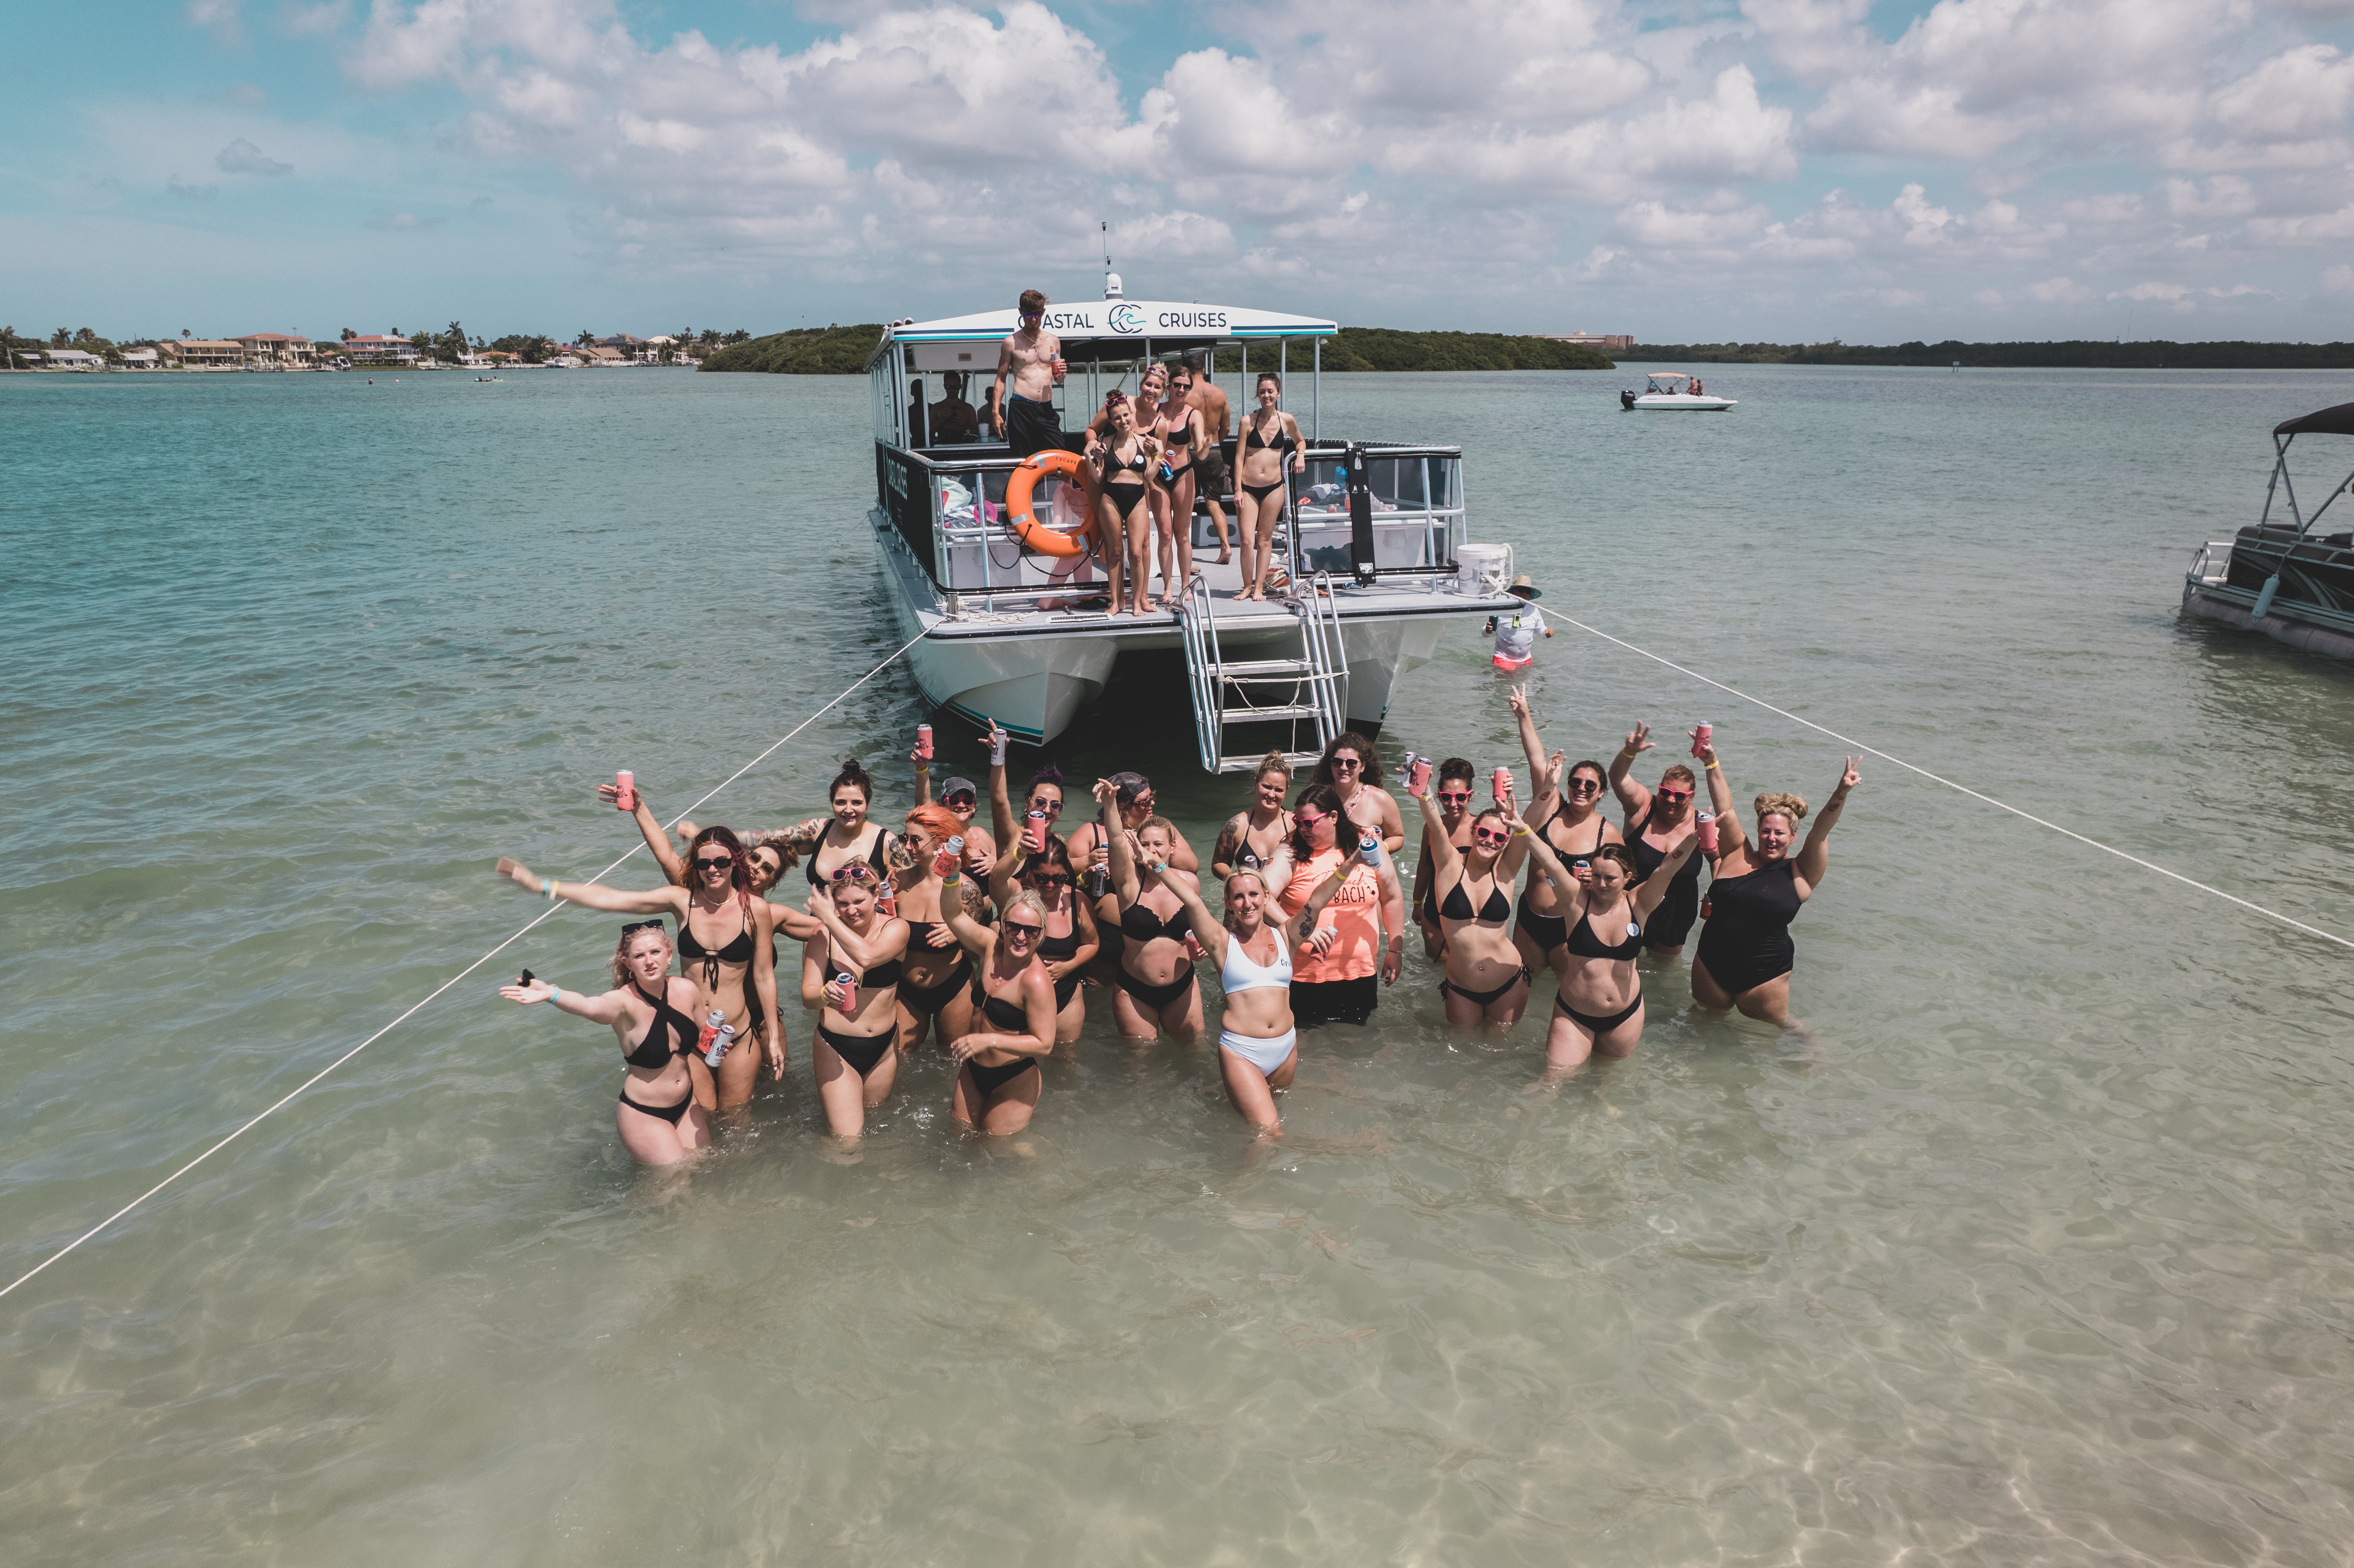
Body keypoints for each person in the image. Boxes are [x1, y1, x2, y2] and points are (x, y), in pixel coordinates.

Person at [494, 827, 785, 1111]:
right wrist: (541, 886)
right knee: (705, 1117)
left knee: (736, 1121)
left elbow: (763, 975)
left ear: (735, 861)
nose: (712, 869)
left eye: (721, 862)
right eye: (703, 863)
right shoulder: (682, 901)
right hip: (693, 1037)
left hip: (737, 1034)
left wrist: (772, 1036)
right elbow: (612, 899)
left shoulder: (756, 909)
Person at [1154, 851, 1349, 1135]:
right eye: (1238, 897)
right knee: (1270, 1134)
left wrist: (1352, 862)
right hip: (1242, 1051)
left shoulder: (1286, 936)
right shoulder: (1222, 943)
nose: (1248, 904)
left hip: (1285, 1049)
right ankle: (1237, 1181)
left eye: (1254, 895)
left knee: (1265, 1121)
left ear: (1267, 897)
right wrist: (1157, 864)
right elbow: (1191, 900)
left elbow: (1317, 899)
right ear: (1228, 904)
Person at [498, 921, 710, 1165]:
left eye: (655, 952)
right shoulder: (623, 1002)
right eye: (639, 956)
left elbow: (705, 1034)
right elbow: (590, 1007)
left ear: (669, 953)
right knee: (674, 1184)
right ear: (629, 964)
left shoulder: (687, 989)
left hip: (685, 1104)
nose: (649, 961)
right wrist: (552, 995)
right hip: (645, 1115)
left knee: (703, 1168)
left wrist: (718, 1046)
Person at [1690, 738, 1862, 1025]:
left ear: (1792, 837)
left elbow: (1820, 832)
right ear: (1757, 830)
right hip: (1710, 966)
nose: (1771, 838)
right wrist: (1711, 762)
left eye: (1779, 834)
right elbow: (1725, 810)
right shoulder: (1736, 853)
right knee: (1703, 1030)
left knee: (1789, 1037)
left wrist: (1841, 792)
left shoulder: (1800, 872)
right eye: (1766, 831)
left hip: (1764, 977)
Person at [1511, 828, 1697, 1069]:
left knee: (1606, 1082)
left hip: (1625, 1016)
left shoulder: (1639, 904)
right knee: (1553, 1080)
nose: (1602, 884)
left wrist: (1695, 838)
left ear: (1628, 877)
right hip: (1574, 1014)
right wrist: (1522, 828)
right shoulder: (1575, 900)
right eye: (1597, 876)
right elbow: (1548, 860)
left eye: (1610, 878)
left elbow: (1668, 868)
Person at [1508, 688, 1622, 981]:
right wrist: (1524, 715)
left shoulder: (1606, 834)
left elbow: (1621, 888)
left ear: (1602, 793)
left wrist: (1595, 883)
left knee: (1565, 993)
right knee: (1524, 989)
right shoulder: (1549, 807)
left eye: (1590, 786)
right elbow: (1536, 760)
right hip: (1529, 920)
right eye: (1575, 782)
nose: (1581, 789)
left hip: (1569, 926)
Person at [936, 867, 1059, 1134]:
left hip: (1013, 1079)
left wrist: (988, 1040)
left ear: (1042, 933)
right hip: (973, 1071)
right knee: (958, 1138)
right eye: (1013, 927)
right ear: (1003, 924)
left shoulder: (1036, 981)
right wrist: (952, 877)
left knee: (997, 1153)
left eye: (1031, 931)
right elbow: (953, 914)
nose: (1021, 937)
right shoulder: (991, 947)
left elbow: (1045, 1044)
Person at [1406, 778, 1533, 1027]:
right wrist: (1424, 792)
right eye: (1484, 833)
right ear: (1474, 831)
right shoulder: (1449, 865)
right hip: (1461, 986)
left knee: (1500, 1055)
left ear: (1506, 841)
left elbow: (1535, 819)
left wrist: (1549, 783)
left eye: (1498, 837)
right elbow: (1435, 825)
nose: (1489, 840)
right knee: (1461, 1053)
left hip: (1509, 982)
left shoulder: (1506, 870)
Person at [1278, 782, 1405, 1027]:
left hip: (1359, 973)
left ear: (1334, 817)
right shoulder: (1291, 850)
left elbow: (1392, 897)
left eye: (1310, 823)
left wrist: (1395, 950)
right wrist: (1299, 928)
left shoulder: (1367, 846)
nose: (1303, 829)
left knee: (1354, 1050)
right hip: (1303, 977)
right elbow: (1263, 896)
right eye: (1298, 822)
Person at [1092, 777, 1205, 1044]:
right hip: (1134, 991)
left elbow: (1202, 930)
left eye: (1158, 844)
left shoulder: (1189, 883)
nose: (1151, 850)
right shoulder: (1129, 883)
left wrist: (1202, 947)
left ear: (1172, 847)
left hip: (1183, 987)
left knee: (1193, 1053)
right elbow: (1116, 840)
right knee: (1140, 1069)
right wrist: (1110, 803)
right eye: (1145, 845)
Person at [799, 872, 910, 1141]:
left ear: (875, 896)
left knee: (877, 1125)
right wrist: (825, 994)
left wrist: (828, 918)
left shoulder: (896, 928)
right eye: (842, 904)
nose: (851, 911)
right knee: (846, 1140)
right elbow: (808, 997)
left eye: (859, 901)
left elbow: (867, 957)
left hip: (884, 1047)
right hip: (836, 1048)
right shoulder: (822, 934)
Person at [1608, 722, 1708, 959]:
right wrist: (1629, 752)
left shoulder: (1702, 824)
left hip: (1677, 913)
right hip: (1630, 904)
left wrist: (1718, 893)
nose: (1671, 800)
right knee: (1619, 961)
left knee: (1663, 976)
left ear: (1692, 797)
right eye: (1666, 792)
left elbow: (1720, 859)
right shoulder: (1642, 807)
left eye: (1680, 796)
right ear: (1659, 789)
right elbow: (1617, 778)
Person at [989, 834, 1098, 1044]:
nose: (1050, 885)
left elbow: (1092, 944)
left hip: (1065, 996)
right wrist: (1018, 853)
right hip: (1016, 994)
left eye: (1058, 879)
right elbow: (996, 880)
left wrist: (1069, 965)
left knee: (1065, 1063)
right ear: (1029, 872)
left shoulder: (1077, 902)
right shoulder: (1015, 892)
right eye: (1042, 878)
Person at [891, 803, 978, 1058]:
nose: (908, 847)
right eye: (905, 839)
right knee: (898, 1059)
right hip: (906, 990)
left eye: (916, 840)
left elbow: (982, 948)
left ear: (940, 841)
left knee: (955, 1063)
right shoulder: (897, 883)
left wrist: (961, 932)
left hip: (954, 988)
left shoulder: (966, 889)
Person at [1081, 389, 1155, 616]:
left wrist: (1159, 455)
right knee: (1114, 553)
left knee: (1136, 552)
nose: (1123, 421)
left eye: (1126, 415)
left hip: (1138, 499)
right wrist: (1088, 455)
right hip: (1110, 499)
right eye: (1117, 418)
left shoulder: (1146, 443)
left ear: (1131, 414)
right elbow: (1098, 477)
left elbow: (1149, 477)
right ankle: (1116, 602)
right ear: (1111, 422)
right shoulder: (1105, 443)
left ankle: (1136, 602)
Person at [1233, 371, 1305, 601]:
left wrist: (1300, 455)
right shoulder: (1247, 421)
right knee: (1246, 540)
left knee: (1265, 540)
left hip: (1274, 487)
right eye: (1262, 392)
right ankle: (1247, 586)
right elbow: (1238, 458)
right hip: (1248, 487)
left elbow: (1300, 441)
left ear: (1278, 393)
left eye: (1270, 391)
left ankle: (1259, 588)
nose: (1266, 395)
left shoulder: (1287, 420)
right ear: (1258, 394)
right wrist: (1237, 489)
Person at [987, 288, 1074, 458]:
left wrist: (1063, 373)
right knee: (1023, 461)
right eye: (1028, 315)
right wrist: (996, 413)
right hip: (1021, 408)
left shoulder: (1053, 341)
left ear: (1043, 313)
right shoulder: (1011, 343)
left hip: (1046, 408)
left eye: (1037, 314)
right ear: (1021, 312)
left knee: (1059, 458)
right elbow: (1001, 379)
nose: (1033, 320)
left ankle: (1063, 486)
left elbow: (1058, 380)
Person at [1410, 756, 1479, 962]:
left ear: (1471, 796)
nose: (1453, 803)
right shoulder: (1431, 827)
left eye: (1460, 797)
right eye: (1446, 797)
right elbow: (1424, 866)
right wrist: (1416, 903)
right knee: (1435, 978)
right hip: (1434, 915)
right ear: (1439, 797)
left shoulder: (1481, 829)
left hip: (1471, 920)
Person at [1142, 364, 1199, 607]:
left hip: (1183, 473)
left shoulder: (1193, 414)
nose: (1181, 390)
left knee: (1182, 535)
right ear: (1169, 387)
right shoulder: (1156, 410)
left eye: (1186, 387)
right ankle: (1167, 586)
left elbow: (1202, 448)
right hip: (1158, 474)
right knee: (1165, 534)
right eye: (1177, 385)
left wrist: (1205, 445)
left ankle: (1185, 585)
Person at [1177, 353, 1233, 567]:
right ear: (1203, 369)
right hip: (1215, 449)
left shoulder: (1186, 395)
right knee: (1214, 502)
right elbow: (1226, 427)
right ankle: (1226, 546)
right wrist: (1216, 442)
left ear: (1186, 371)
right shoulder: (1219, 393)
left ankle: (1185, 551)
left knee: (1186, 503)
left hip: (1189, 451)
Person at [1312, 731, 1405, 856]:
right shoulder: (1315, 796)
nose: (1344, 768)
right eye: (1337, 762)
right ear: (1331, 765)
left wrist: (1380, 848)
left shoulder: (1381, 799)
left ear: (1363, 767)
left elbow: (1397, 836)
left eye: (1351, 763)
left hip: (1364, 869)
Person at [1211, 752, 1294, 880]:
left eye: (1279, 790)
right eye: (1266, 787)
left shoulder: (1295, 825)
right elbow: (1218, 864)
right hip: (1250, 897)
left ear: (1287, 790)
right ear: (1255, 784)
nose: (1272, 795)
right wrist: (1240, 879)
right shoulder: (1236, 826)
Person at [912, 763, 999, 883]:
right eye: (954, 800)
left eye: (968, 801)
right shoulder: (936, 835)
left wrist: (997, 864)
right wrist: (922, 769)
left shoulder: (982, 835)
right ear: (943, 805)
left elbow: (1004, 869)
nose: (962, 805)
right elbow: (923, 804)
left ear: (974, 807)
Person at [1485, 577, 1552, 672]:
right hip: (1503, 658)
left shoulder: (1533, 610)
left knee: (1528, 683)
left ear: (1530, 595)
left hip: (1526, 660)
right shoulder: (1502, 608)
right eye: (1520, 590)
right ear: (1513, 592)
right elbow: (1488, 632)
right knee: (1509, 677)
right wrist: (1487, 630)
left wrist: (1547, 633)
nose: (1524, 594)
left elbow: (1541, 631)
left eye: (1527, 591)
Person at [929, 370, 981, 444]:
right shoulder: (937, 407)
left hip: (963, 444)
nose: (953, 390)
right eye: (949, 387)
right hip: (942, 445)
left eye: (956, 387)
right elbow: (928, 433)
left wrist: (963, 424)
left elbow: (977, 434)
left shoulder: (968, 408)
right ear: (945, 387)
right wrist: (942, 419)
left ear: (960, 387)